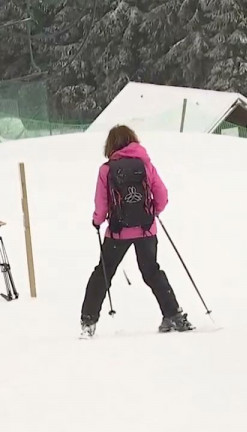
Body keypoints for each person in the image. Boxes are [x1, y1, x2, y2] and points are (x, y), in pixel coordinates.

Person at [80, 125, 194, 338]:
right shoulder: (145, 164)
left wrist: (97, 221)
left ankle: (89, 320)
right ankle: (174, 314)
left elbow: (101, 204)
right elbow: (162, 195)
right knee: (152, 272)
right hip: (145, 230)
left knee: (103, 274)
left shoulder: (106, 169)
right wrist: (152, 213)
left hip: (117, 231)